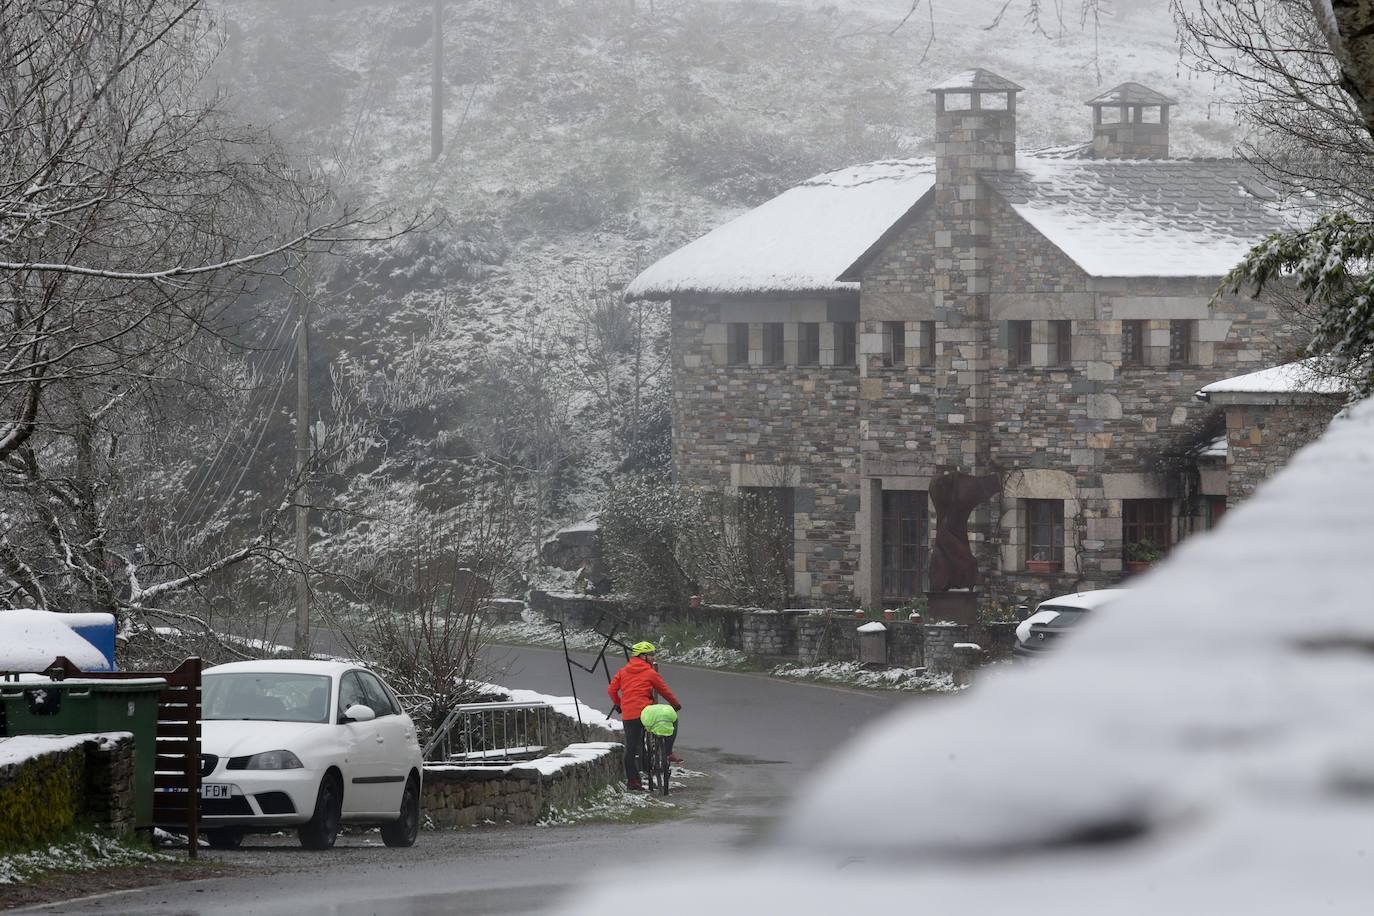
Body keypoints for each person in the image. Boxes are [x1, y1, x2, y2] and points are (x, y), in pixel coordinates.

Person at [607, 641, 682, 790]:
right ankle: (667, 752)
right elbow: (664, 690)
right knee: (673, 719)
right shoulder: (650, 672)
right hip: (646, 713)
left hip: (629, 715)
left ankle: (633, 781)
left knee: (631, 748)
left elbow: (611, 690)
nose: (654, 658)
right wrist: (675, 705)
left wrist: (619, 704)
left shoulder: (623, 671)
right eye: (651, 655)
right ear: (643, 656)